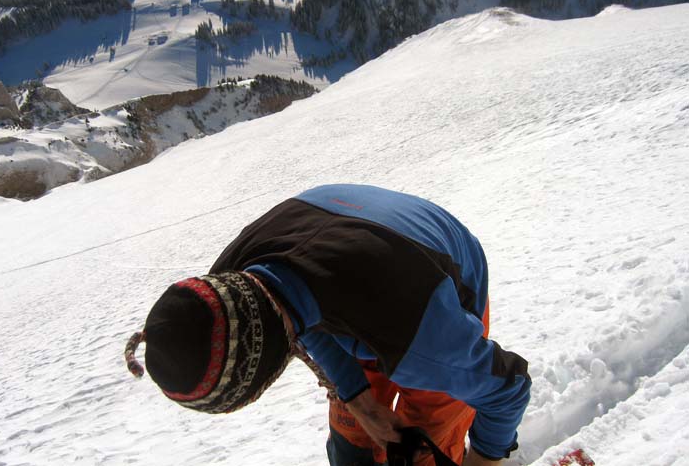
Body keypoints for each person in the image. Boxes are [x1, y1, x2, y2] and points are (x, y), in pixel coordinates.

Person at [125, 184, 531, 466]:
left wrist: (486, 460)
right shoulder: (233, 282)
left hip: (434, 284)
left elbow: (507, 390)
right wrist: (355, 394)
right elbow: (290, 307)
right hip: (356, 249)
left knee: (426, 441)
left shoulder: (421, 339)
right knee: (356, 433)